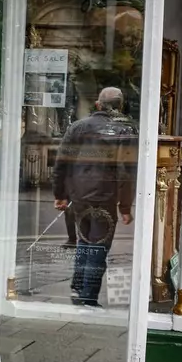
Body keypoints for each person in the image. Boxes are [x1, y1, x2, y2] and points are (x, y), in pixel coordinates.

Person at [53, 87, 138, 307]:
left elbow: (62, 162)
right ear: (119, 107)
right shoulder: (124, 130)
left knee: (84, 240)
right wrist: (126, 206)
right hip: (104, 196)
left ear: (98, 105)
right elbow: (125, 170)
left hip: (78, 195)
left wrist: (60, 194)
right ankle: (88, 297)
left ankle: (78, 286)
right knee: (98, 245)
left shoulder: (77, 127)